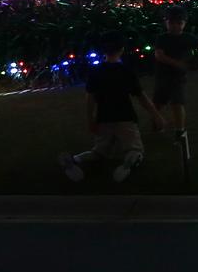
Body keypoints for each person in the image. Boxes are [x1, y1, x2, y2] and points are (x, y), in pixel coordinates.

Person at [59, 32, 164, 183]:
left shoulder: (96, 72)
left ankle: (75, 159)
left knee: (99, 151)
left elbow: (90, 98)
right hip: (125, 117)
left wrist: (91, 120)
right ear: (122, 49)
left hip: (103, 118)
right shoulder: (126, 72)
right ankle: (130, 162)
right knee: (135, 149)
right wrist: (156, 115)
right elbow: (141, 97)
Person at [152, 6, 198, 142]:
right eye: (172, 23)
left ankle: (179, 130)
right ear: (166, 22)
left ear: (184, 23)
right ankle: (157, 123)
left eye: (179, 23)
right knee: (158, 103)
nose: (175, 26)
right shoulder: (162, 38)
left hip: (178, 77)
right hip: (163, 76)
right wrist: (178, 63)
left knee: (177, 103)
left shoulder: (187, 37)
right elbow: (159, 56)